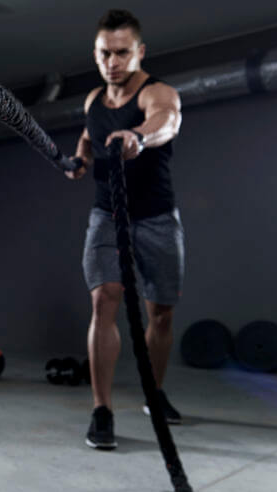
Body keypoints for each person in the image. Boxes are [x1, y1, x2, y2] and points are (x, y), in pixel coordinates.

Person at [65, 9, 184, 450]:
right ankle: (102, 410)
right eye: (104, 53)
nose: (112, 62)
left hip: (155, 215)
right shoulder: (94, 100)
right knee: (104, 300)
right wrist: (81, 159)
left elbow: (166, 121)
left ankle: (154, 394)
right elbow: (88, 134)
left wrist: (138, 136)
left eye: (121, 52)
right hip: (107, 214)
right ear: (96, 54)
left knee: (162, 313)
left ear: (139, 52)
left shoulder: (158, 93)